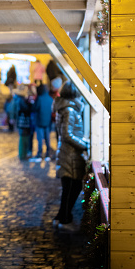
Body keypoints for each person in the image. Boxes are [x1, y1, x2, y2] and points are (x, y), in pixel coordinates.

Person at [53, 81, 89, 232]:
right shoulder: (70, 110)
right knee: (70, 189)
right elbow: (67, 134)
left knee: (70, 188)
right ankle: (65, 219)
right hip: (70, 155)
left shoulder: (66, 108)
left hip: (68, 154)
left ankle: (60, 217)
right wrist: (84, 145)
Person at [29, 84, 53, 162]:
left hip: (39, 121)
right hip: (47, 122)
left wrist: (32, 103)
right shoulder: (50, 99)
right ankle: (48, 154)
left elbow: (35, 108)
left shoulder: (39, 99)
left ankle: (39, 154)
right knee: (47, 138)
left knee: (40, 138)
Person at [13, 84, 31, 160]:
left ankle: (23, 153)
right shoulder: (20, 100)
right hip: (23, 121)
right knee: (23, 138)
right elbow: (25, 109)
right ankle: (22, 154)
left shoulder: (18, 99)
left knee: (24, 137)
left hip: (22, 121)